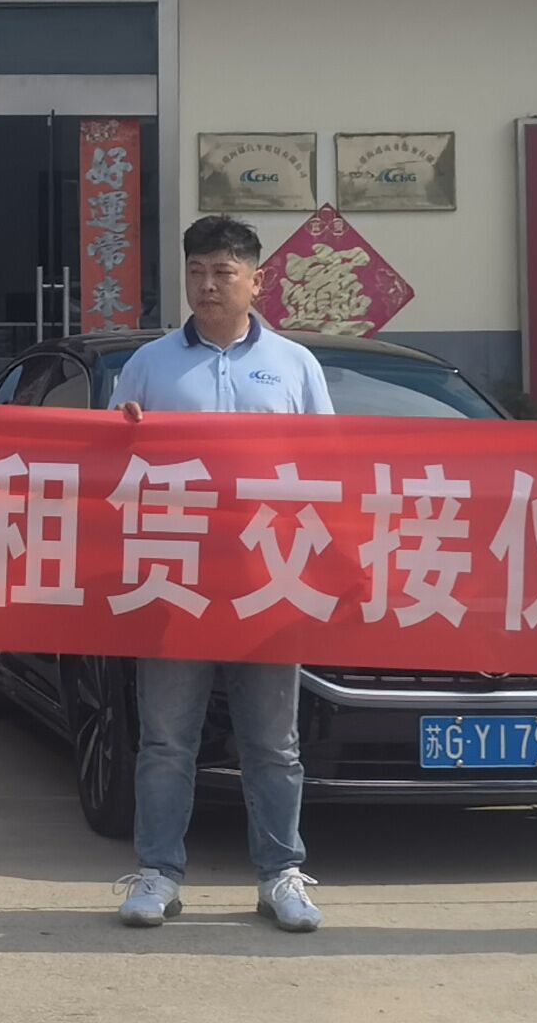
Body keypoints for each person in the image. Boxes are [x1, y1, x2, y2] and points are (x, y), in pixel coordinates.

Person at [104, 215, 333, 934]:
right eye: (197, 271)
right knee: (167, 740)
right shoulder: (149, 366)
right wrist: (123, 431)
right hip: (176, 577)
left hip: (269, 577)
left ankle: (280, 874)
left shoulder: (296, 366)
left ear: (256, 281)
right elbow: (108, 469)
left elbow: (330, 467)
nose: (208, 285)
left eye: (224, 272)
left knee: (273, 744)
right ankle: (157, 873)